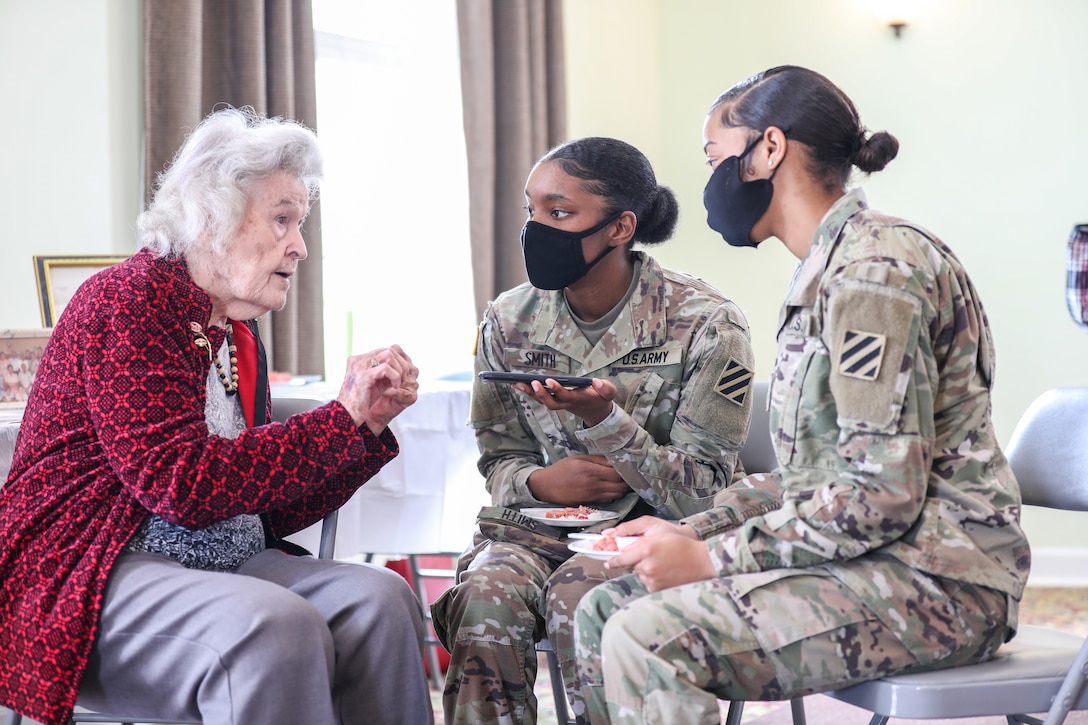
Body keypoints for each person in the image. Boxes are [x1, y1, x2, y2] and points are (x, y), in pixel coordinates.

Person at [573, 65, 1031, 724]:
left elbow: (879, 495)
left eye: (715, 157)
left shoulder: (873, 274)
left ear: (768, 149)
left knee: (651, 638)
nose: (710, 182)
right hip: (878, 564)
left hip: (942, 581)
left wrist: (708, 558)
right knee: (604, 608)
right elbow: (814, 478)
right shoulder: (829, 269)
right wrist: (687, 531)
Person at [0, 107, 433, 725]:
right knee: (275, 627)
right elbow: (180, 483)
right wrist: (336, 421)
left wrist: (361, 427)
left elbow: (260, 506)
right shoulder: (132, 300)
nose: (301, 246)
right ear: (213, 216)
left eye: (300, 223)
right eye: (282, 220)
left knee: (380, 599)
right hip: (88, 566)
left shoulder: (234, 333)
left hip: (210, 558)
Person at [431, 136, 762, 725]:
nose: (537, 228)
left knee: (582, 598)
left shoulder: (706, 324)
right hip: (534, 533)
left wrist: (606, 422)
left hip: (652, 535)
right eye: (532, 210)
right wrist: (539, 484)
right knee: (484, 602)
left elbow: (705, 492)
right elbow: (498, 457)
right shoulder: (509, 320)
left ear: (619, 227)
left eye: (559, 214)